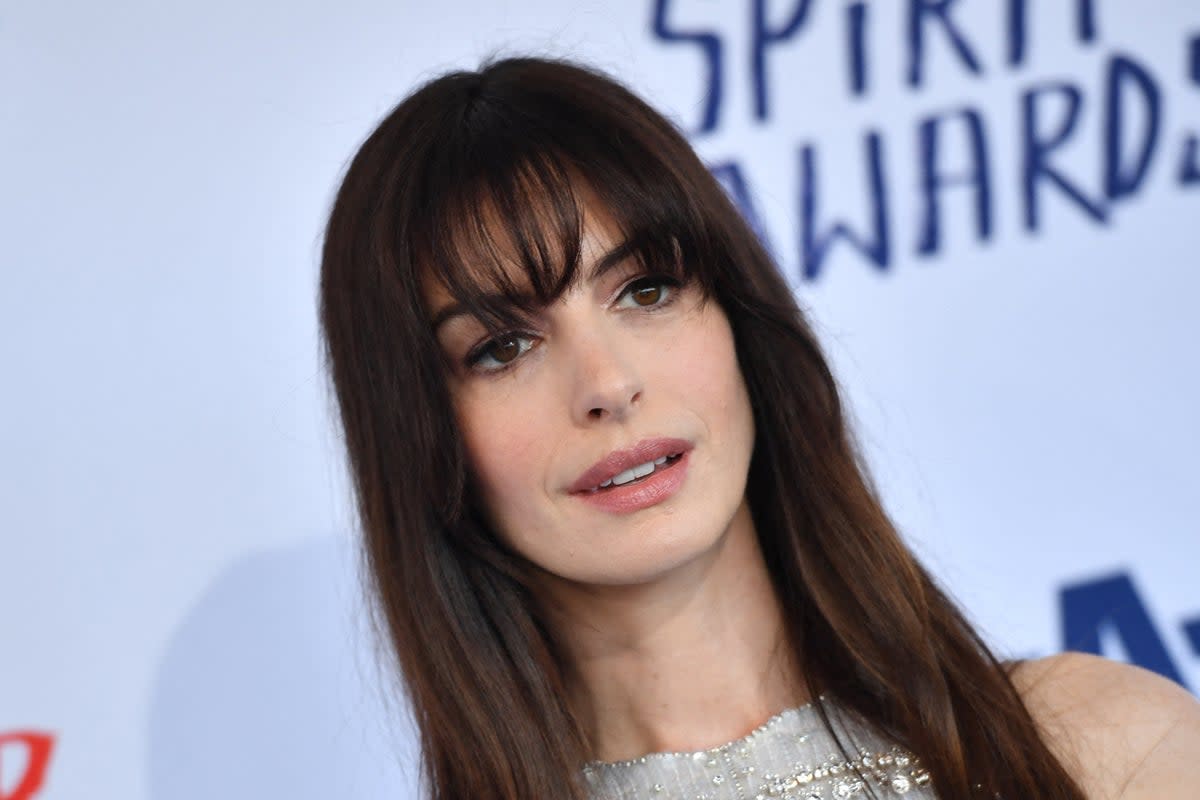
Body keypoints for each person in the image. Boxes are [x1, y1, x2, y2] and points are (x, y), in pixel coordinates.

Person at [318, 57, 1199, 799]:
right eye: (503, 347)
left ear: (739, 319)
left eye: (646, 290)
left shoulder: (1104, 751)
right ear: (424, 439)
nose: (609, 384)